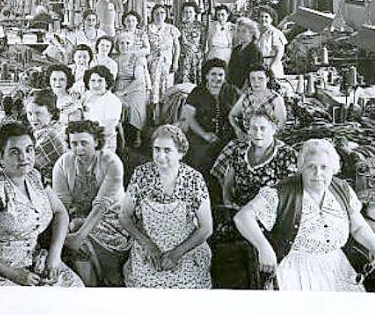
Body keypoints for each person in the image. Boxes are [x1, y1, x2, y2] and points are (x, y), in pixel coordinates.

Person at [234, 139, 375, 291]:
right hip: (295, 270)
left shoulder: (342, 189)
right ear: (301, 168)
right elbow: (242, 217)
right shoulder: (281, 192)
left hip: (336, 265)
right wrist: (264, 247)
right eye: (311, 167)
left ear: (334, 169)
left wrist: (374, 247)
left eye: (324, 167)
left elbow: (358, 227)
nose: (318, 173)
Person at [0, 122, 83, 287]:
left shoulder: (34, 176)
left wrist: (55, 255)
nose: (24, 157)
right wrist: (14, 274)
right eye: (14, 152)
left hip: (33, 262)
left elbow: (60, 213)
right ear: (0, 156)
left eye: (29, 149)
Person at [120, 125, 213, 288]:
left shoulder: (193, 179)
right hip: (148, 246)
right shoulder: (141, 174)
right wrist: (149, 247)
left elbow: (206, 228)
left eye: (167, 150)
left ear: (181, 153)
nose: (161, 156)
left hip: (185, 248)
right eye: (157, 149)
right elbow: (124, 216)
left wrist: (176, 254)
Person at [52, 120, 130, 286]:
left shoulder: (111, 162)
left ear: (96, 142)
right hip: (77, 215)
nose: (78, 148)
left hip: (112, 218)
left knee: (80, 238)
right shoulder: (63, 164)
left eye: (84, 143)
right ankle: (88, 286)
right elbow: (62, 204)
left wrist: (78, 237)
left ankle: (103, 281)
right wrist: (64, 233)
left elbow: (102, 205)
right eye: (74, 143)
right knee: (71, 228)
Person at [211, 109, 298, 211]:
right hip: (238, 210)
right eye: (254, 128)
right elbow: (228, 184)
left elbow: (289, 196)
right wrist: (228, 202)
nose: (258, 133)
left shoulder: (287, 155)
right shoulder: (240, 150)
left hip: (270, 215)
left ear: (273, 130)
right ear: (248, 130)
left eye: (263, 128)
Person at [180, 59, 240, 192]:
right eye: (213, 74)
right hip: (200, 135)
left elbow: (243, 111)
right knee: (200, 158)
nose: (217, 78)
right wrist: (204, 134)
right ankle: (200, 191)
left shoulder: (232, 91)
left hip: (227, 137)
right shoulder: (197, 92)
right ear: (206, 75)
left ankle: (224, 193)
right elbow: (188, 117)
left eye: (220, 75)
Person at [229, 64, 287, 137]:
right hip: (248, 138)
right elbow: (232, 116)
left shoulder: (275, 98)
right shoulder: (246, 95)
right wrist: (238, 131)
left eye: (260, 78)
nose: (256, 82)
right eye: (253, 78)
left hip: (268, 140)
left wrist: (266, 140)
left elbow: (281, 125)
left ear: (267, 79)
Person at [26, 89, 67, 186]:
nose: (33, 118)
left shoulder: (50, 135)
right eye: (30, 113)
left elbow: (27, 164)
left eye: (38, 113)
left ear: (51, 113)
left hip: (52, 188)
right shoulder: (41, 130)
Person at [114, 32, 149, 148]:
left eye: (127, 43)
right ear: (117, 45)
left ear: (132, 44)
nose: (125, 46)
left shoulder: (136, 58)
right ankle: (120, 134)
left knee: (134, 103)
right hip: (119, 84)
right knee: (116, 101)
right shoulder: (114, 59)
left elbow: (139, 79)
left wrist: (123, 92)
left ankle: (137, 133)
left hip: (135, 86)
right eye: (122, 43)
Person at [147, 5, 181, 118]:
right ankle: (154, 117)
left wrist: (175, 62)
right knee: (154, 89)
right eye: (156, 13)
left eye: (162, 13)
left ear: (166, 15)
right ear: (152, 15)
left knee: (167, 88)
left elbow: (177, 47)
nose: (159, 15)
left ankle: (166, 116)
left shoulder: (171, 29)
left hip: (167, 63)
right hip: (153, 63)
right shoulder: (147, 29)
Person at [81, 65, 123, 152]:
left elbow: (108, 129)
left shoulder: (113, 101)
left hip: (104, 143)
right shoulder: (86, 96)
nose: (96, 85)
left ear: (107, 83)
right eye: (93, 81)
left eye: (100, 81)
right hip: (84, 141)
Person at [227, 17, 263, 88]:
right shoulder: (236, 49)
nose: (240, 34)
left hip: (247, 86)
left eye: (243, 31)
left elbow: (254, 72)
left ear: (252, 33)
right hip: (233, 85)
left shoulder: (254, 49)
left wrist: (244, 88)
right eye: (238, 31)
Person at [177, 1, 207, 85]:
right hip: (183, 58)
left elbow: (203, 43)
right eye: (186, 12)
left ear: (195, 13)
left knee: (196, 83)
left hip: (197, 58)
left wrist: (200, 55)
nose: (188, 14)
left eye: (190, 12)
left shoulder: (201, 26)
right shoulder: (179, 26)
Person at [256, 6, 287, 79]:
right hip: (260, 65)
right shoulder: (257, 32)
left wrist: (271, 67)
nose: (263, 19)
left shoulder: (275, 33)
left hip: (272, 65)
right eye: (261, 17)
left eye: (266, 17)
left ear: (271, 19)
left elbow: (279, 53)